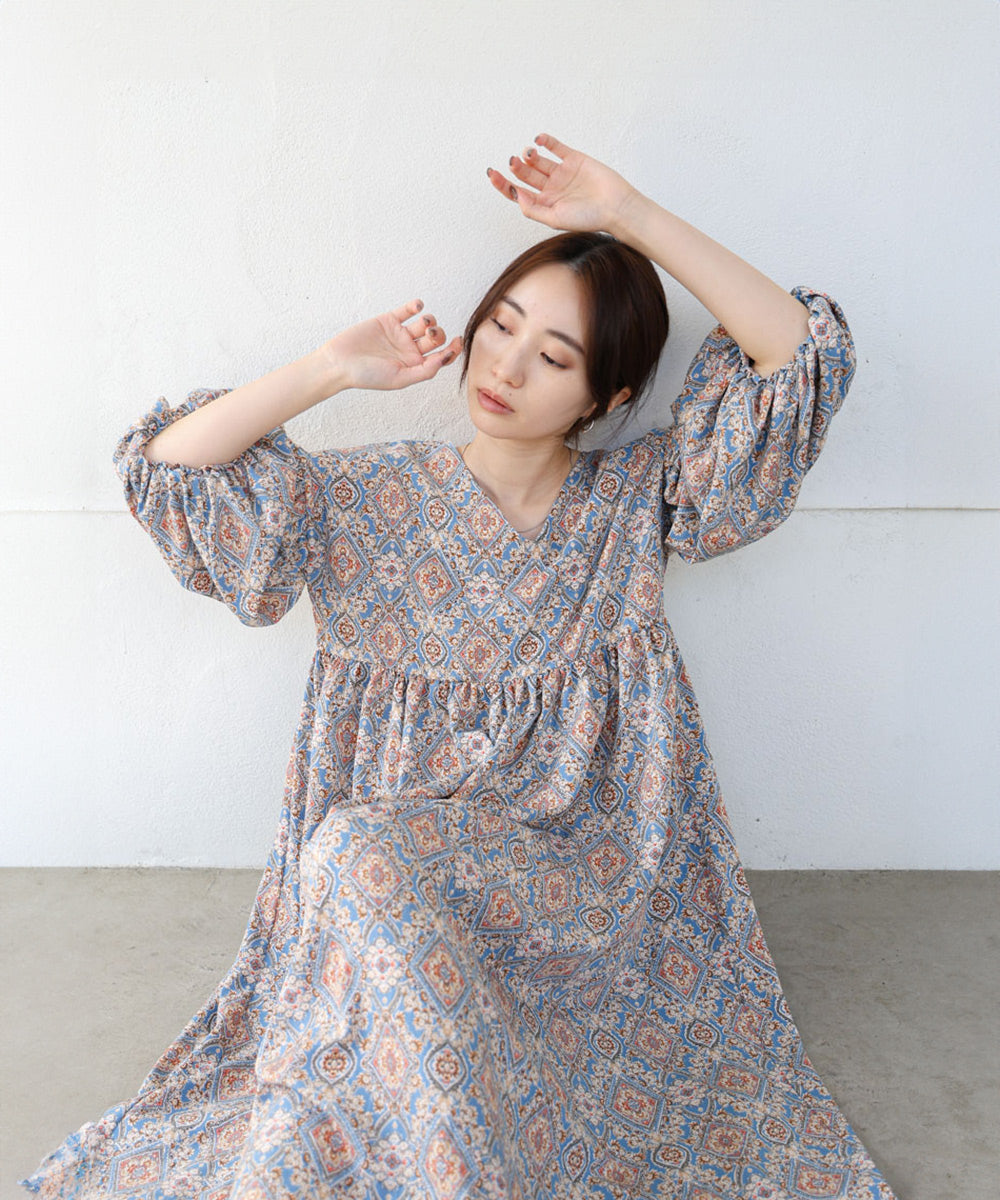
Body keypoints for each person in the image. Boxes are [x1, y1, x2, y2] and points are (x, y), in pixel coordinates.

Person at [21, 133, 895, 1199]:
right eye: (503, 326)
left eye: (556, 358)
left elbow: (799, 359)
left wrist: (629, 214)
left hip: (590, 886)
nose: (507, 367)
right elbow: (167, 470)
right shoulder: (364, 500)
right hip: (397, 878)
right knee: (356, 857)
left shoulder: (638, 503)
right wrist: (330, 369)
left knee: (362, 865)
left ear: (607, 397)